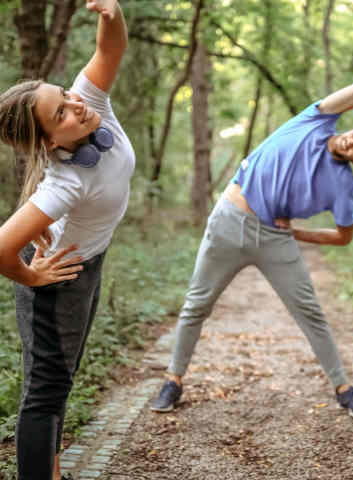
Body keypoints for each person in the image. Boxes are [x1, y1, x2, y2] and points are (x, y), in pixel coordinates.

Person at [151, 76, 353, 418]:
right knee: (196, 304)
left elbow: (343, 236)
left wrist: (299, 235)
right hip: (229, 221)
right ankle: (172, 381)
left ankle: (344, 389)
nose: (352, 143)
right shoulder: (314, 120)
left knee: (311, 314)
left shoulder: (343, 186)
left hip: (275, 239)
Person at [0, 1, 132, 479]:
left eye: (66, 95)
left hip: (88, 263)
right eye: (63, 111)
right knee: (46, 390)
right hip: (57, 284)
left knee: (62, 379)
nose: (77, 104)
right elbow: (0, 248)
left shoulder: (89, 105)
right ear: (52, 142)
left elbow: (109, 50)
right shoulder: (64, 182)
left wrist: (111, 15)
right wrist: (32, 275)